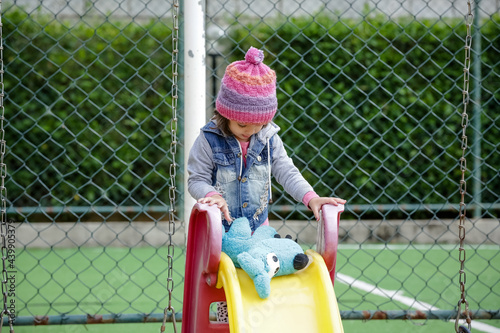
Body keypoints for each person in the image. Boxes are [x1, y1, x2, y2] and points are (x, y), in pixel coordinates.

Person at [187, 46, 346, 233]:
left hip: (258, 228)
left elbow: (287, 171)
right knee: (222, 263)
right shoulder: (209, 140)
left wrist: (311, 197)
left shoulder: (269, 139)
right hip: (218, 230)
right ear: (225, 114)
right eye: (242, 125)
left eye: (260, 124)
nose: (251, 131)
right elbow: (196, 180)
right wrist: (212, 195)